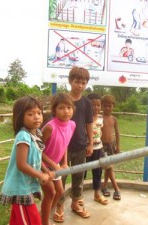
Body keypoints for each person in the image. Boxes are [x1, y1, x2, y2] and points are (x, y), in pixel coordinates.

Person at [0, 96, 52, 225]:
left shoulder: (35, 134)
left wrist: (46, 171)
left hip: (25, 187)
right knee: (32, 221)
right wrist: (40, 175)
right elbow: (22, 165)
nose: (37, 117)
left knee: (17, 221)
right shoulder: (23, 136)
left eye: (39, 113)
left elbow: (37, 159)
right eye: (30, 114)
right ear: (20, 117)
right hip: (20, 189)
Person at [58, 66, 93, 219]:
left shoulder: (86, 103)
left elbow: (89, 123)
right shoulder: (62, 100)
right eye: (77, 81)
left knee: (79, 176)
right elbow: (55, 121)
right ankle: (59, 205)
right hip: (62, 146)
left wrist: (90, 143)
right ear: (70, 81)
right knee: (61, 177)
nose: (80, 85)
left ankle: (75, 202)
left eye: (83, 82)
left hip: (80, 145)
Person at [40, 93, 76, 224]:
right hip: (42, 164)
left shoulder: (72, 125)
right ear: (54, 110)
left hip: (55, 165)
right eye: (61, 108)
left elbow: (65, 144)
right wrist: (53, 164)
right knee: (50, 194)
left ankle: (44, 215)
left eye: (69, 107)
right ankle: (44, 222)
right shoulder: (50, 127)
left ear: (73, 109)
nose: (66, 111)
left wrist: (64, 162)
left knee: (60, 191)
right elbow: (37, 151)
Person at [84, 93, 108, 205]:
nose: (96, 108)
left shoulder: (100, 118)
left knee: (97, 172)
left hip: (98, 148)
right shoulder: (83, 118)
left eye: (98, 105)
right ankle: (78, 196)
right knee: (81, 172)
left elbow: (100, 131)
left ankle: (97, 194)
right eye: (93, 105)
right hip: (85, 149)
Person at [100, 95, 121, 200]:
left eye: (110, 106)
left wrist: (118, 147)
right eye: (105, 106)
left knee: (108, 167)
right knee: (109, 167)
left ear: (113, 106)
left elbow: (117, 133)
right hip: (102, 146)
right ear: (101, 106)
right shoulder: (99, 118)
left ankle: (104, 187)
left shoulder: (114, 119)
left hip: (111, 145)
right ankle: (116, 189)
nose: (107, 108)